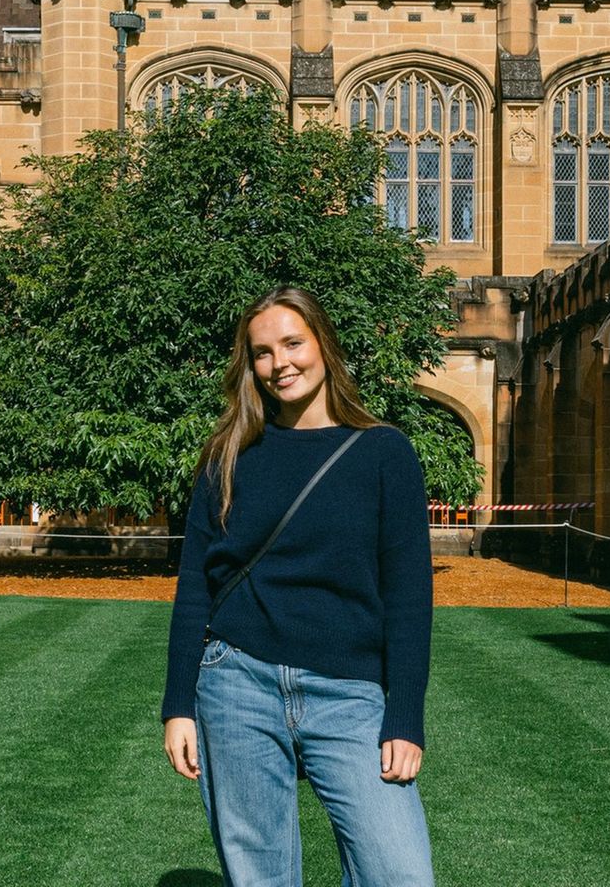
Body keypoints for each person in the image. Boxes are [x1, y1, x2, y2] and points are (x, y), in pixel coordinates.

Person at [162, 286, 434, 887]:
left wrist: (405, 716)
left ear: (322, 344)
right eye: (262, 353)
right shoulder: (227, 456)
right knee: (259, 876)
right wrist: (178, 705)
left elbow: (410, 598)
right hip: (236, 684)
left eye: (292, 343)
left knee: (399, 873)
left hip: (350, 695)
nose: (279, 363)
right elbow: (194, 590)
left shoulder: (384, 452)